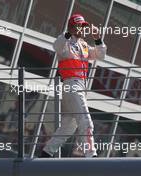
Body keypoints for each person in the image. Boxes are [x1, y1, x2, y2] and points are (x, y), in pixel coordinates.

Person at [40, 14, 107, 158]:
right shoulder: (65, 42)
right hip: (71, 85)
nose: (82, 29)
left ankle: (45, 154)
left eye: (83, 26)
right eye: (79, 26)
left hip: (79, 87)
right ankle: (92, 155)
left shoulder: (83, 44)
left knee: (69, 127)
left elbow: (100, 55)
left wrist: (97, 38)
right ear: (71, 27)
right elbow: (56, 45)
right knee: (86, 121)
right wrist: (68, 33)